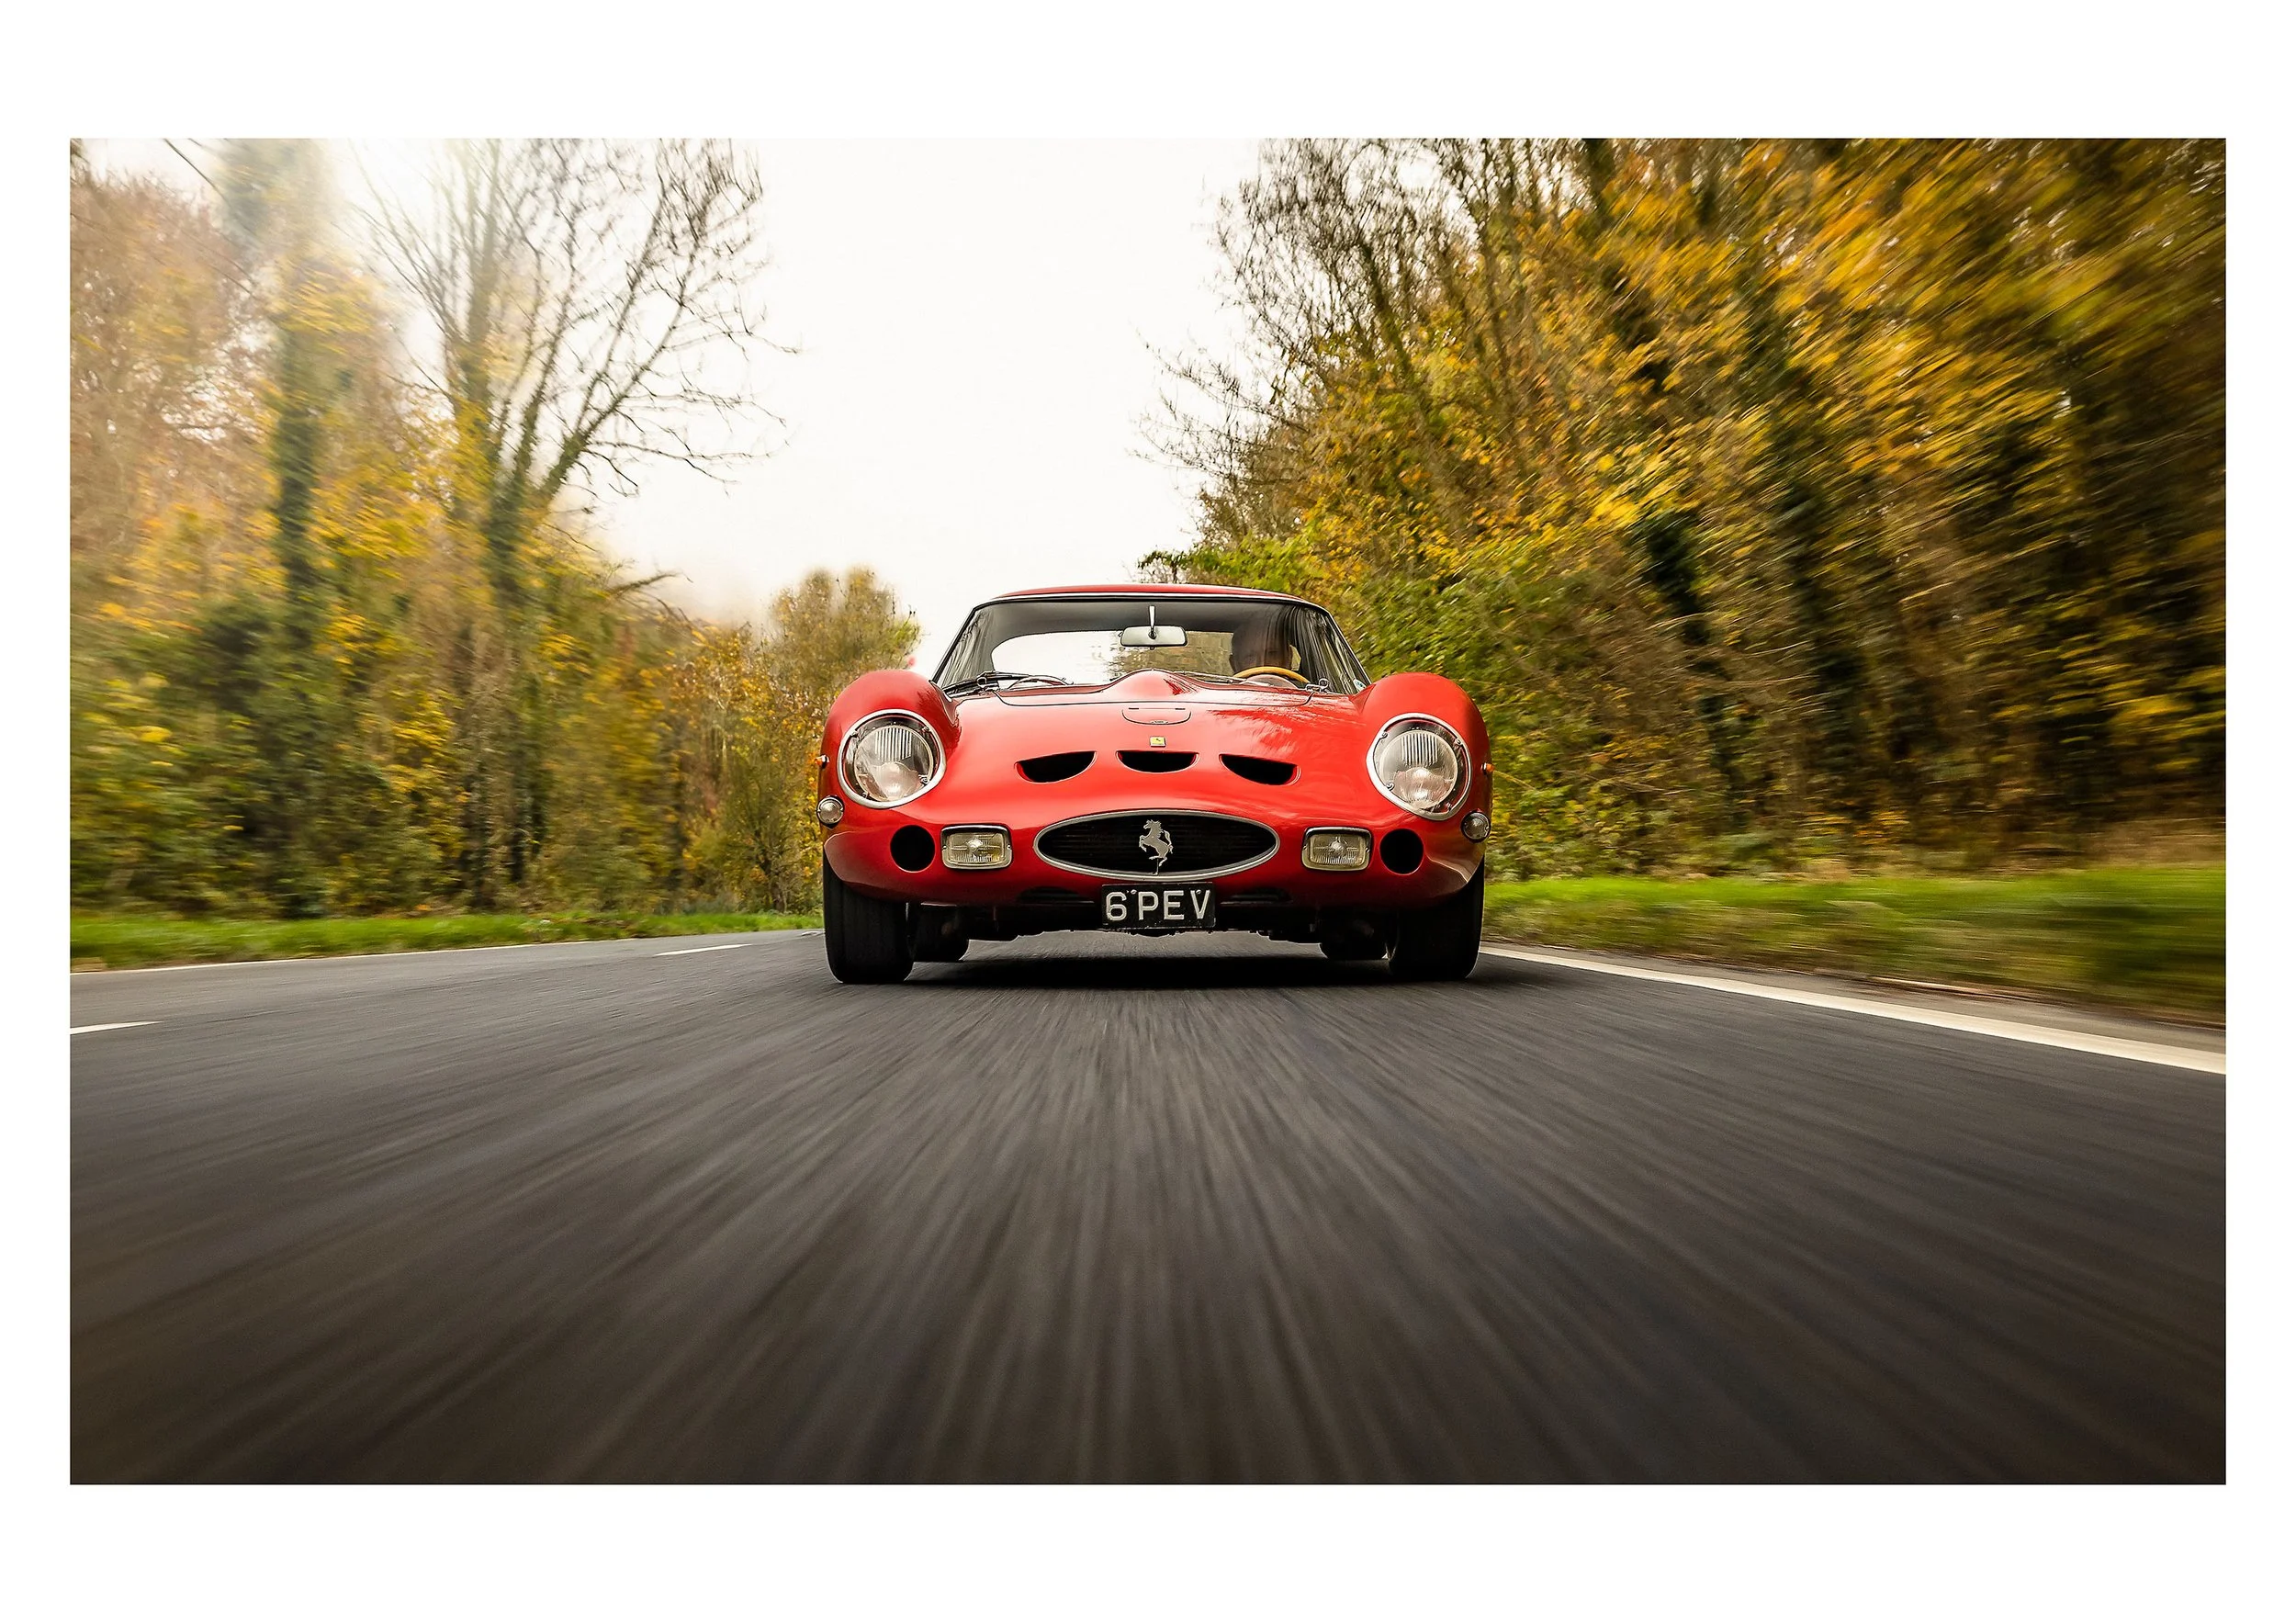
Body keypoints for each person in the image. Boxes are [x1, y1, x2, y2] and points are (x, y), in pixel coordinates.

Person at [1228, 615, 1297, 680]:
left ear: (1289, 657)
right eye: (1250, 658)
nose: (1262, 666)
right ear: (1234, 665)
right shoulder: (1223, 689)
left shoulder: (1302, 687)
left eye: (1272, 654)